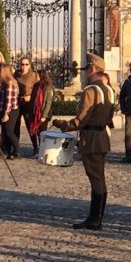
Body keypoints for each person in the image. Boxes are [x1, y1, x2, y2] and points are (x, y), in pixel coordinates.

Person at [51, 53, 114, 230]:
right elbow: (109, 116)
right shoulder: (109, 90)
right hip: (103, 137)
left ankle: (95, 219)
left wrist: (63, 124)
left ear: (93, 69)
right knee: (99, 176)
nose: (86, 72)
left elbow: (82, 119)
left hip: (91, 139)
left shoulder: (90, 91)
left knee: (95, 178)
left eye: (87, 69)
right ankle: (97, 217)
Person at [14, 57, 39, 155]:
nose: (24, 66)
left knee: (30, 125)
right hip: (18, 101)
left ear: (30, 65)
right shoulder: (16, 75)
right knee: (16, 125)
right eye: (22, 64)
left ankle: (35, 146)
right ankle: (16, 148)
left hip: (28, 103)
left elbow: (38, 90)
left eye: (26, 64)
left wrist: (30, 97)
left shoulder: (33, 76)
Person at [0, 64, 21, 159]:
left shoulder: (9, 82)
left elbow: (9, 100)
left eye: (0, 70)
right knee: (5, 131)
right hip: (5, 109)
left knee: (9, 132)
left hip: (11, 110)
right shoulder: (4, 82)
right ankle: (6, 150)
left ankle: (17, 151)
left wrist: (6, 113)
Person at [28, 71, 56, 152]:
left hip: (43, 113)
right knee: (36, 132)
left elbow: (48, 102)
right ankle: (38, 149)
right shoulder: (36, 86)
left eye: (36, 75)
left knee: (42, 133)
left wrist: (44, 116)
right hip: (35, 112)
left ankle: (43, 150)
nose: (34, 77)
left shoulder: (47, 87)